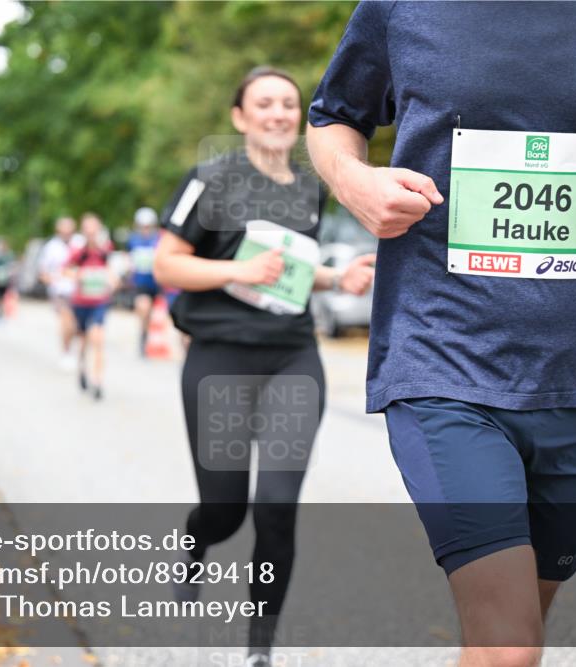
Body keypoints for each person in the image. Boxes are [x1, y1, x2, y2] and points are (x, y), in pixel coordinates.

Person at [305, 2, 576, 664]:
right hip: (441, 355)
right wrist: (356, 182)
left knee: (516, 633)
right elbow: (332, 119)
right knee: (510, 645)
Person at [153, 66, 375, 667]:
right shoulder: (209, 179)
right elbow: (168, 266)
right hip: (219, 359)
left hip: (291, 357)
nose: (277, 113)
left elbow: (289, 271)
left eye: (287, 104)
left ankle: (259, 648)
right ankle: (197, 545)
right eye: (264, 103)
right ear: (239, 117)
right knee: (225, 510)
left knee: (276, 507)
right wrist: (235, 273)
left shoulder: (309, 187)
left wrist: (336, 277)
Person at [66, 213, 116, 401]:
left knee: (98, 338)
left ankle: (98, 381)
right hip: (81, 302)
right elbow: (66, 270)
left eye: (94, 228)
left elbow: (112, 270)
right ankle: (82, 368)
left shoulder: (106, 250)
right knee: (84, 340)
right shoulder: (79, 251)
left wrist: (112, 280)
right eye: (87, 229)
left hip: (99, 301)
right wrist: (80, 275)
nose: (91, 232)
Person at [39, 217, 84, 371]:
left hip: (80, 291)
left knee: (77, 326)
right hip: (60, 292)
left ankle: (77, 351)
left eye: (69, 229)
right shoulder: (51, 247)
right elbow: (43, 273)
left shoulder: (80, 243)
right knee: (67, 322)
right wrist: (53, 279)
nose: (66, 232)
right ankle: (66, 351)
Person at [126, 206, 163, 355]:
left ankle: (151, 336)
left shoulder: (159, 240)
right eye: (143, 226)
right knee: (144, 308)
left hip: (158, 283)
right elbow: (129, 259)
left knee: (158, 314)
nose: (145, 229)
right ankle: (143, 335)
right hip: (141, 283)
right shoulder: (133, 241)